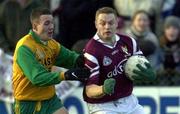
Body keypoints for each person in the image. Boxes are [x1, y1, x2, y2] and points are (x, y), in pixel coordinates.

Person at [12, 7, 90, 114]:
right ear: (35, 26)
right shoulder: (24, 48)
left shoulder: (52, 44)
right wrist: (65, 75)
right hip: (26, 103)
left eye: (52, 23)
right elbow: (37, 77)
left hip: (49, 100)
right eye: (47, 23)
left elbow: (69, 57)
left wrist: (82, 59)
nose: (51, 27)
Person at [83, 7, 156, 114]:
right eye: (102, 23)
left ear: (117, 23)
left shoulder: (129, 42)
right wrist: (103, 89)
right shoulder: (91, 51)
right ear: (96, 24)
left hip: (128, 101)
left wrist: (149, 73)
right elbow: (89, 90)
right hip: (103, 106)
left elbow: (142, 65)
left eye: (111, 23)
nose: (107, 27)